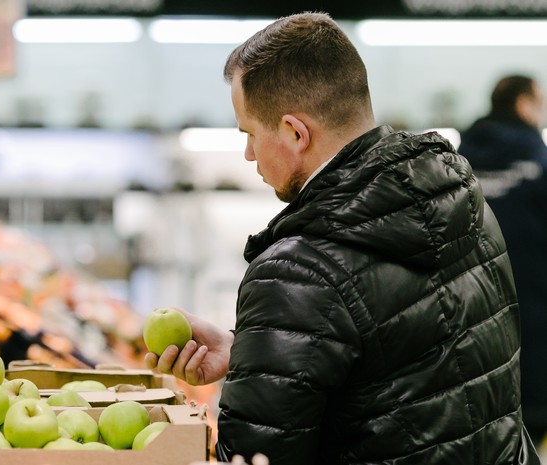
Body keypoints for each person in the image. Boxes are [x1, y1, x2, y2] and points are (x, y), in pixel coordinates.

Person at [146, 12, 536, 464]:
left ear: (295, 132)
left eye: (249, 133)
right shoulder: (468, 207)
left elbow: (255, 457)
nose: (248, 152)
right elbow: (419, 367)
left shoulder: (296, 270)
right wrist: (255, 350)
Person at [458, 75, 547, 443]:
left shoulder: (460, 156)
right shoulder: (537, 155)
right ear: (523, 104)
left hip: (469, 297)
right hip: (534, 296)